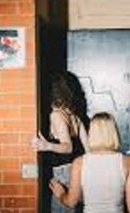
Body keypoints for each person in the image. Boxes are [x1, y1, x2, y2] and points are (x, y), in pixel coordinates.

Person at [49, 112, 130, 213]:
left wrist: (61, 194)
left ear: (91, 133)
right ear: (114, 132)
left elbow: (71, 202)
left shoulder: (79, 162)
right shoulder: (127, 162)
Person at [32, 72, 88, 213]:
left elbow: (68, 147)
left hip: (64, 174)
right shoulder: (75, 116)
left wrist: (46, 145)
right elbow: (89, 150)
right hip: (79, 172)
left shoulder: (57, 115)